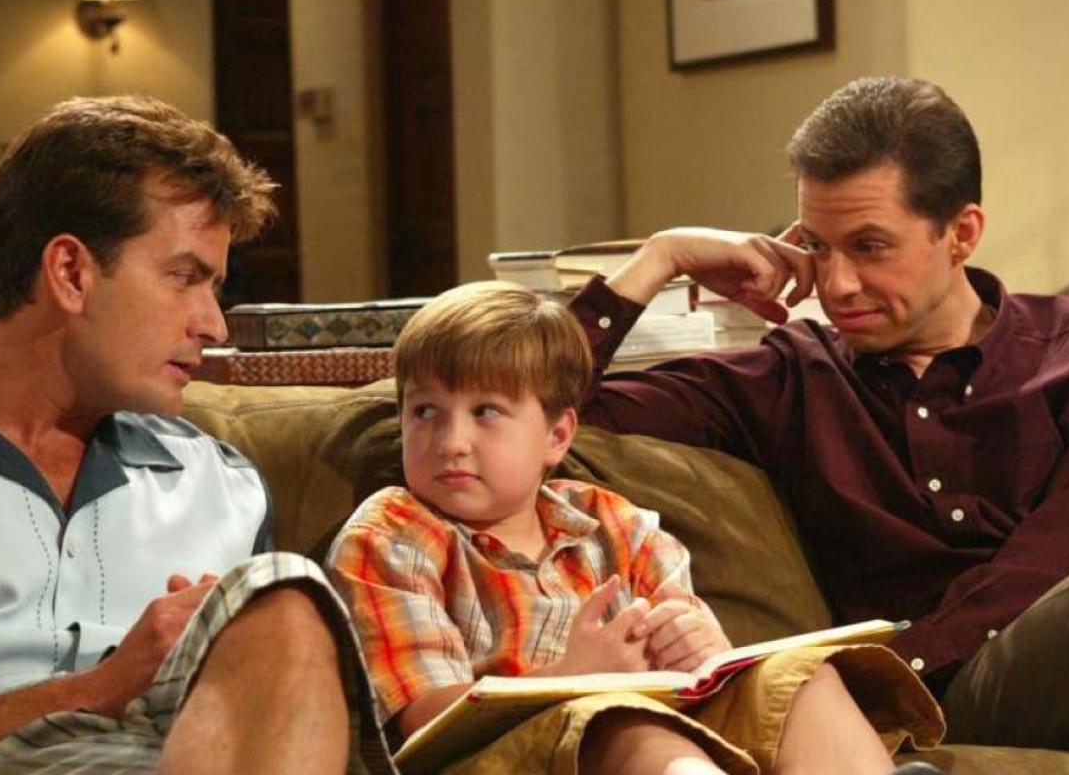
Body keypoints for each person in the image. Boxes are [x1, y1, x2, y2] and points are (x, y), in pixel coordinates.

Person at [568, 75, 1069, 768]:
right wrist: (662, 257)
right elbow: (541, 412)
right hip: (931, 705)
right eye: (818, 247)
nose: (837, 284)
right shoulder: (790, 379)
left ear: (962, 233)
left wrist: (900, 662)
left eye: (869, 247)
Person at [0, 96, 391, 774]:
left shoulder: (224, 486)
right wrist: (100, 690)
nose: (214, 325)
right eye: (185, 278)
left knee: (285, 602)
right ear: (71, 273)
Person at [327, 281, 946, 774]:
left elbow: (693, 673)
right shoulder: (393, 533)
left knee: (802, 679)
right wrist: (570, 678)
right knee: (624, 721)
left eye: (485, 411)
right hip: (506, 754)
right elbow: (426, 722)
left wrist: (703, 648)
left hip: (663, 725)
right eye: (425, 412)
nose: (451, 441)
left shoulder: (611, 522)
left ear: (557, 436)